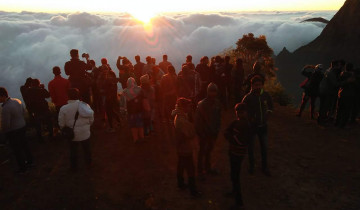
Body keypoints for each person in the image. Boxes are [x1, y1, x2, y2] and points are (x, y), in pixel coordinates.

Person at [242, 76, 273, 176]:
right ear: (252, 86)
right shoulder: (248, 97)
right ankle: (251, 166)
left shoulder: (266, 95)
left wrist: (268, 114)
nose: (258, 87)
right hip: (252, 127)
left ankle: (265, 167)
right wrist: (248, 119)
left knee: (264, 147)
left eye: (260, 85)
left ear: (262, 85)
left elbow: (271, 105)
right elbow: (242, 109)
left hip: (263, 126)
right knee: (251, 147)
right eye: (256, 85)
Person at [224, 103, 252, 209]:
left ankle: (239, 202)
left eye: (241, 112)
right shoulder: (240, 123)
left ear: (245, 112)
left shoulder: (242, 124)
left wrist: (231, 136)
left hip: (236, 153)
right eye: (238, 112)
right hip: (237, 153)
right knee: (234, 174)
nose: (239, 114)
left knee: (235, 176)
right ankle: (234, 192)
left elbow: (229, 134)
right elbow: (228, 132)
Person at [58, 88, 94, 171]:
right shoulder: (85, 106)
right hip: (85, 133)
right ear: (78, 95)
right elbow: (91, 119)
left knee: (73, 151)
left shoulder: (63, 109)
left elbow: (61, 124)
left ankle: (74, 167)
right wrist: (87, 126)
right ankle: (89, 163)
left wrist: (65, 129)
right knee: (86, 149)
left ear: (68, 96)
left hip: (72, 135)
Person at [173, 98, 202, 198]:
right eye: (188, 106)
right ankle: (193, 191)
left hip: (180, 146)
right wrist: (193, 127)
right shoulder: (181, 120)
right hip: (185, 147)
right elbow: (190, 133)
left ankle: (180, 184)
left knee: (181, 165)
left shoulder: (179, 116)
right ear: (183, 107)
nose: (190, 108)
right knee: (191, 169)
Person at [0, 87, 33, 174]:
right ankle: (31, 162)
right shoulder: (17, 101)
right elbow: (23, 112)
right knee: (25, 146)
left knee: (17, 150)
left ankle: (23, 168)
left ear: (2, 96)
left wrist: (4, 134)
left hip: (13, 131)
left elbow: (6, 124)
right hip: (22, 126)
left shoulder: (5, 108)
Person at [195, 83, 222, 176]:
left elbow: (218, 118)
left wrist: (217, 130)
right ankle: (200, 171)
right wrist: (201, 133)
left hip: (213, 132)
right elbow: (198, 121)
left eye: (214, 91)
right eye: (211, 91)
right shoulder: (202, 104)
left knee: (209, 151)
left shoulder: (217, 103)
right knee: (202, 152)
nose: (213, 93)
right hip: (204, 133)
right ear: (207, 91)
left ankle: (208, 168)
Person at [97, 59, 121, 132]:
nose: (105, 71)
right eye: (104, 70)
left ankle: (112, 127)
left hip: (107, 96)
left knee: (109, 111)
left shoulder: (101, 77)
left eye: (105, 69)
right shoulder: (111, 75)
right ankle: (118, 122)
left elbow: (99, 86)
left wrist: (103, 91)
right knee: (111, 111)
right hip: (110, 96)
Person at [318, 61, 343, 125]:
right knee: (325, 106)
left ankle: (320, 119)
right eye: (338, 65)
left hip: (322, 90)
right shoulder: (331, 73)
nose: (339, 67)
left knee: (322, 106)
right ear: (335, 65)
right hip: (327, 91)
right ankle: (322, 121)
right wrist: (345, 82)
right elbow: (335, 84)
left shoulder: (328, 70)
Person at [123, 78, 145, 143]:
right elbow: (143, 99)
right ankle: (142, 137)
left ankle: (135, 139)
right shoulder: (139, 89)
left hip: (131, 111)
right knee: (140, 124)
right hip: (139, 110)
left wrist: (124, 111)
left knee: (133, 126)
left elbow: (124, 102)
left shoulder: (125, 91)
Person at [335, 63, 356, 128]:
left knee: (339, 109)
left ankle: (337, 122)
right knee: (346, 110)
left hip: (341, 94)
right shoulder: (352, 76)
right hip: (349, 95)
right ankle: (342, 124)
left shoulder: (342, 74)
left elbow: (338, 83)